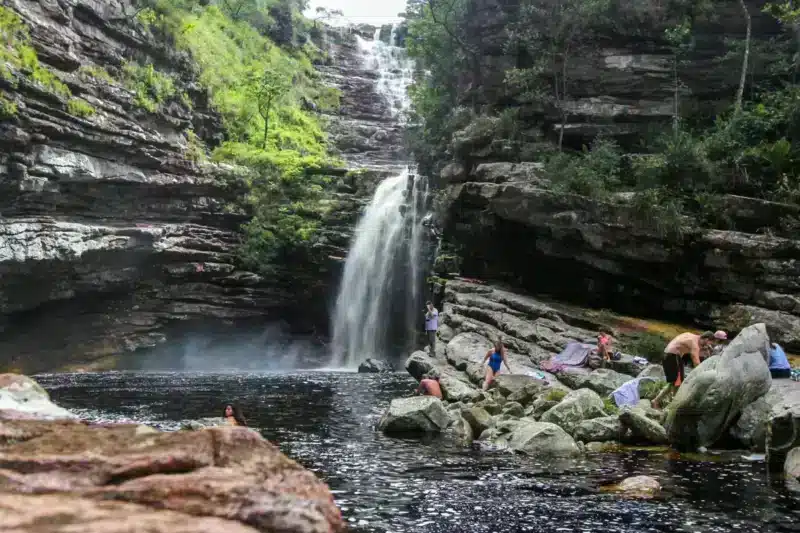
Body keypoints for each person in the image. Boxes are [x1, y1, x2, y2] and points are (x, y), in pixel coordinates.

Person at [651, 331, 715, 409]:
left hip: (672, 355)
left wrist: (706, 349)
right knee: (678, 383)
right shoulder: (694, 343)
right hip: (672, 356)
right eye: (709, 343)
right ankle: (672, 405)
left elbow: (688, 347)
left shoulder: (691, 336)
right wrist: (702, 374)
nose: (708, 345)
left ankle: (657, 401)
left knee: (675, 383)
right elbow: (696, 361)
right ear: (707, 339)